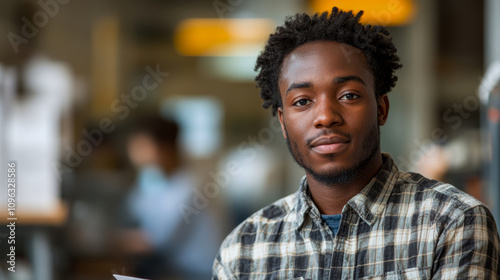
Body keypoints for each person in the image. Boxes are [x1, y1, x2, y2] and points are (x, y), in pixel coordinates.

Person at [212, 7, 500, 279]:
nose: (325, 117)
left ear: (381, 109)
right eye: (302, 101)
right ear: (283, 122)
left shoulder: (452, 223)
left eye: (348, 95)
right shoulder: (242, 251)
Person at [119, 116, 221, 279]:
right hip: (175, 268)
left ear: (165, 148)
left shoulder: (189, 187)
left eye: (141, 146)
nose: (134, 154)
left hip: (197, 273)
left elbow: (157, 241)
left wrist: (109, 241)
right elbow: (133, 211)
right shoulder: (155, 179)